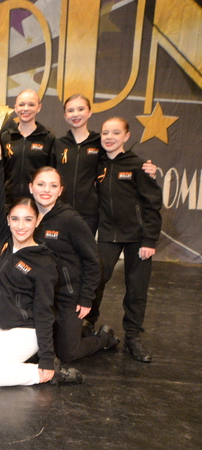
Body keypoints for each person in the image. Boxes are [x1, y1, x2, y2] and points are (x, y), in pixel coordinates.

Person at [0, 138, 83, 387]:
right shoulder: (1, 241)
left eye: (28, 220)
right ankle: (8, 362)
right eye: (15, 219)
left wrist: (47, 358)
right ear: (7, 221)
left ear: (37, 222)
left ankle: (47, 372)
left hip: (26, 331)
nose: (21, 226)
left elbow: (44, 312)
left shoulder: (44, 262)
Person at [28, 166, 120, 362]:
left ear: (60, 190)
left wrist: (86, 298)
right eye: (41, 184)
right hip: (39, 295)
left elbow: (94, 261)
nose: (46, 190)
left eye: (53, 186)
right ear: (31, 187)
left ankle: (104, 338)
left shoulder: (70, 219)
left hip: (67, 296)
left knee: (67, 353)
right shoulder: (26, 216)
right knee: (34, 349)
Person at [92, 117, 162, 362]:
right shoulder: (97, 164)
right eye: (105, 133)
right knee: (96, 279)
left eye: (115, 132)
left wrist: (149, 240)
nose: (109, 137)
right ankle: (87, 325)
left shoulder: (139, 165)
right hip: (108, 234)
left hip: (137, 237)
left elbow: (152, 204)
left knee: (136, 287)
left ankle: (133, 337)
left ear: (126, 136)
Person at [51, 94, 157, 235]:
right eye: (70, 110)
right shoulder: (58, 144)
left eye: (81, 109)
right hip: (61, 211)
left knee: (86, 249)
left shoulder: (100, 142)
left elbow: (120, 160)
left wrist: (146, 169)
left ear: (90, 112)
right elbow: (48, 175)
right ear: (65, 116)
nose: (75, 114)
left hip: (90, 214)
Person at [0, 89, 55, 204]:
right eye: (21, 104)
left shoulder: (48, 139)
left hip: (38, 204)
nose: (26, 108)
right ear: (15, 108)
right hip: (9, 203)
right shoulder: (5, 137)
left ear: (39, 107)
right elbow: (0, 171)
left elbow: (52, 174)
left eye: (31, 104)